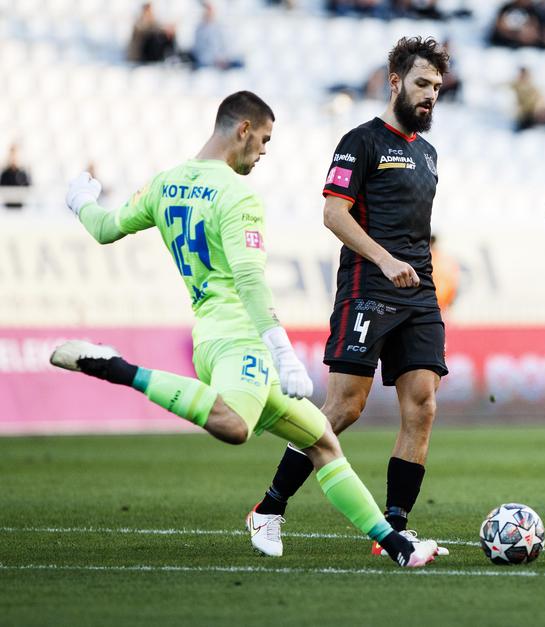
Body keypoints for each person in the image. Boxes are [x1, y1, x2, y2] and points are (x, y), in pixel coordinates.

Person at [49, 91, 438, 569]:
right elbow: (250, 279)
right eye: (265, 139)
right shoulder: (237, 194)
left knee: (322, 441)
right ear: (243, 130)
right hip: (241, 339)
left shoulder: (164, 184)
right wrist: (281, 349)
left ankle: (396, 545)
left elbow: (106, 227)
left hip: (208, 336)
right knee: (234, 426)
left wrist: (80, 202)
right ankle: (115, 367)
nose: (265, 150)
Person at [245, 37, 451, 558]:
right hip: (368, 286)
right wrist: (383, 259)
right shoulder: (360, 142)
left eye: (438, 88)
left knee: (422, 406)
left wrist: (416, 267)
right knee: (343, 407)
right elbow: (334, 213)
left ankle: (395, 529)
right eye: (423, 84)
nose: (430, 96)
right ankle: (268, 507)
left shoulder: (428, 154)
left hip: (419, 291)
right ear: (396, 82)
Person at [192, 2, 244, 70]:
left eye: (210, 10)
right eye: (207, 11)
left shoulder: (218, 26)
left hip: (222, 59)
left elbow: (225, 45)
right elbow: (200, 51)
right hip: (207, 62)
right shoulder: (200, 29)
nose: (209, 13)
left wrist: (223, 58)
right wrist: (214, 60)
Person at [1, 144, 31, 209]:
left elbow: (28, 188)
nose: (13, 158)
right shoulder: (5, 174)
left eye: (15, 155)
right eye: (12, 155)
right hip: (8, 210)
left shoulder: (23, 173)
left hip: (21, 210)